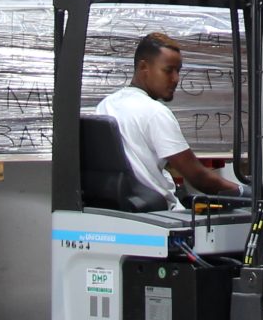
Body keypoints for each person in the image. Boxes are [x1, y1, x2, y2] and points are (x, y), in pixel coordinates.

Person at [94, 33, 242, 206]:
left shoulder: (106, 105)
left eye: (178, 71)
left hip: (122, 207)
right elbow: (199, 178)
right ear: (143, 67)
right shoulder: (155, 112)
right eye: (168, 70)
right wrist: (244, 192)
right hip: (159, 211)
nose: (176, 79)